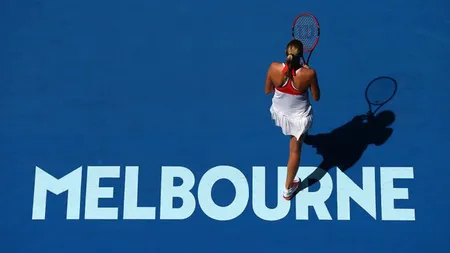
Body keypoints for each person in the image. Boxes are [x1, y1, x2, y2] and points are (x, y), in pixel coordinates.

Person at [264, 39, 321, 200]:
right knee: (295, 151)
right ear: (301, 55)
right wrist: (307, 79)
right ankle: (288, 189)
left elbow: (268, 90)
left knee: (297, 141)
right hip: (298, 119)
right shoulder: (309, 73)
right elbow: (316, 97)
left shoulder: (273, 67)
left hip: (280, 112)